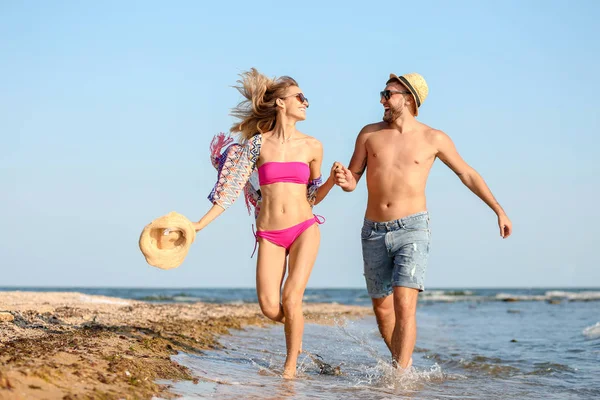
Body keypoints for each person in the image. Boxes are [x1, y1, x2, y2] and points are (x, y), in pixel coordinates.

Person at [332, 72, 512, 371]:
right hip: (373, 229)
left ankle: (400, 379)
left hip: (412, 229)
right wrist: (344, 179)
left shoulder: (433, 138)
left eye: (387, 94)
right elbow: (354, 179)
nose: (382, 100)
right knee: (382, 308)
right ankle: (402, 364)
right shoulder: (369, 134)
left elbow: (466, 173)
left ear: (409, 98)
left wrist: (498, 210)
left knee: (404, 305)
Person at [193, 68, 336, 378]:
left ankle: (289, 371)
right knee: (271, 308)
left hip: (304, 229)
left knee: (290, 297)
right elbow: (229, 190)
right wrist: (198, 225)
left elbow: (313, 195)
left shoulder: (313, 146)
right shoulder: (257, 146)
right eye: (300, 97)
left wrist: (334, 182)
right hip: (269, 234)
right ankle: (299, 339)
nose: (306, 102)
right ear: (281, 103)